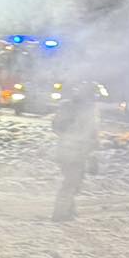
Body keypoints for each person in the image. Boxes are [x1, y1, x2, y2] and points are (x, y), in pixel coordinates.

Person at [51, 84, 100, 222]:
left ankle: (69, 210)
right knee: (71, 182)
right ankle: (60, 213)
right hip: (73, 151)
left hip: (71, 150)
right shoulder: (82, 109)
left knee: (74, 182)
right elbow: (92, 133)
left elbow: (56, 126)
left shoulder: (70, 107)